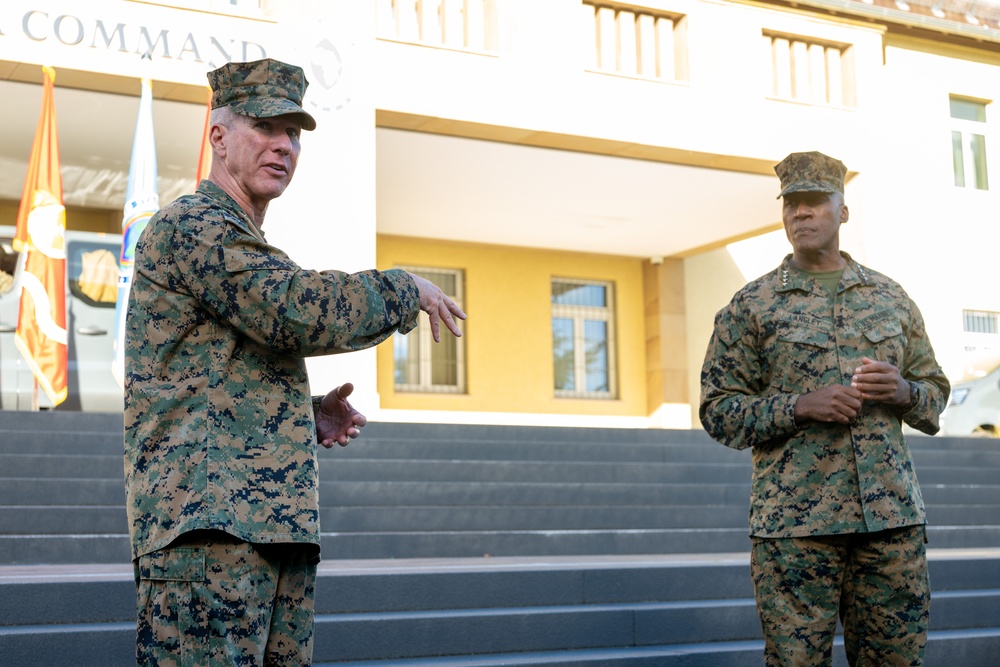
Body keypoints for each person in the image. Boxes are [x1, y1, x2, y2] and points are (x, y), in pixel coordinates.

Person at [123, 58, 465, 666]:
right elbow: (290, 309)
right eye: (266, 127)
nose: (284, 145)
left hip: (265, 526)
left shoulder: (240, 242)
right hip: (210, 533)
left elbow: (213, 381)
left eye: (295, 134)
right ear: (219, 135)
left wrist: (298, 413)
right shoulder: (193, 226)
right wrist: (401, 287)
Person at [699, 151, 949, 667]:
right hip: (796, 530)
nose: (801, 214)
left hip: (890, 525)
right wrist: (798, 407)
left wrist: (905, 392)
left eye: (815, 202)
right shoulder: (752, 306)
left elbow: (936, 394)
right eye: (792, 204)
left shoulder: (890, 298)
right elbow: (718, 411)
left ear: (843, 211)